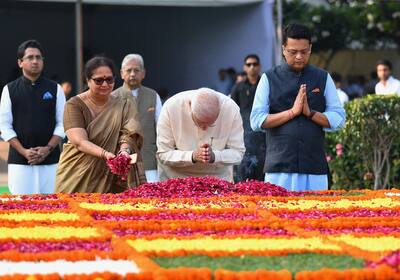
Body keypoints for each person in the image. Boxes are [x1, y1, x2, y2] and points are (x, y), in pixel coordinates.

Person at [250, 23, 346, 191]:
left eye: (304, 51)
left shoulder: (323, 77)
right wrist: (292, 112)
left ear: (310, 49)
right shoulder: (268, 78)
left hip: (314, 167)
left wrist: (310, 113)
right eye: (293, 52)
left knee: (317, 216)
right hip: (279, 168)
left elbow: (339, 119)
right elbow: (256, 120)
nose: (299, 57)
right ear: (283, 49)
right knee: (277, 217)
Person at [55, 56, 146, 193]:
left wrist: (124, 152)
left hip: (112, 176)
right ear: (87, 80)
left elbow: (129, 134)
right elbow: (79, 142)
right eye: (99, 80)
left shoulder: (124, 104)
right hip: (77, 173)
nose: (105, 84)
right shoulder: (74, 105)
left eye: (109, 79)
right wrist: (106, 154)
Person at [0, 39, 66, 194]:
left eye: (38, 57)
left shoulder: (55, 89)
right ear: (20, 62)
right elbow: (4, 125)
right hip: (20, 163)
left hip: (51, 161)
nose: (35, 61)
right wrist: (23, 151)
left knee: (52, 209)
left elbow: (63, 123)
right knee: (20, 209)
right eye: (30, 57)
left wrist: (48, 149)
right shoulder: (9, 90)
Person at [156, 88, 245, 182]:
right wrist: (192, 156)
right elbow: (163, 153)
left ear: (220, 110)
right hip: (175, 179)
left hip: (217, 180)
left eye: (211, 124)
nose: (204, 128)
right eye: (199, 123)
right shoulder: (171, 107)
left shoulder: (230, 109)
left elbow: (238, 153)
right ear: (190, 107)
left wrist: (214, 156)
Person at [113, 54, 162, 183]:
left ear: (143, 73)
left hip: (149, 160)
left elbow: (161, 129)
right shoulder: (113, 97)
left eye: (136, 70)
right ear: (122, 73)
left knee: (151, 200)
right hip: (122, 162)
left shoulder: (153, 96)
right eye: (129, 70)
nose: (133, 74)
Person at [230, 54, 266, 181]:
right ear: (244, 67)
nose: (252, 67)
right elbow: (231, 109)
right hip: (244, 134)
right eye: (249, 64)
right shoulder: (239, 87)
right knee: (243, 170)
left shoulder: (265, 85)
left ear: (260, 66)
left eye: (255, 64)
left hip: (263, 134)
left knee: (262, 171)